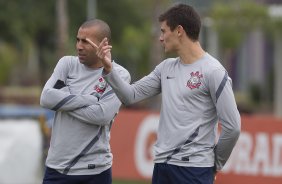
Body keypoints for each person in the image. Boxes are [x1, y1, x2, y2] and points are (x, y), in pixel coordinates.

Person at [95, 3, 241, 184]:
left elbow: (233, 127)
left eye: (163, 31)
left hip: (194, 169)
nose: (160, 38)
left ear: (179, 30)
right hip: (162, 167)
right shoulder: (165, 68)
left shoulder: (214, 72)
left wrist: (215, 164)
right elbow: (130, 95)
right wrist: (109, 69)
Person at [40, 19, 130, 184]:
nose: (79, 46)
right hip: (58, 168)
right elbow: (46, 98)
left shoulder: (119, 74)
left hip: (96, 170)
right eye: (78, 40)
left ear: (104, 44)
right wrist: (89, 99)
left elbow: (101, 115)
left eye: (85, 42)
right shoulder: (67, 64)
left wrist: (63, 100)